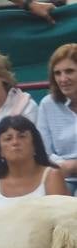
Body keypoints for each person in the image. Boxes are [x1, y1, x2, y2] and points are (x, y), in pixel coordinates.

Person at [0, 116, 68, 213]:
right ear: (0, 151)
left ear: (34, 145)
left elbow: (60, 220)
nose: (15, 142)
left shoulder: (51, 176)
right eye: (8, 139)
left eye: (22, 136)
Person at [39, 43, 77, 195]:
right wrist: (66, 167)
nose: (63, 79)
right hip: (61, 176)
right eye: (57, 73)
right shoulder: (47, 104)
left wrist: (72, 166)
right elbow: (43, 152)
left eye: (69, 71)